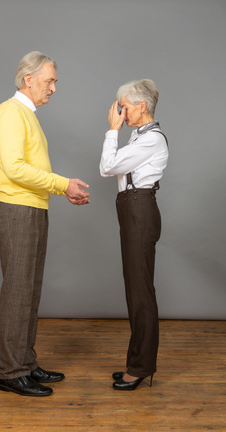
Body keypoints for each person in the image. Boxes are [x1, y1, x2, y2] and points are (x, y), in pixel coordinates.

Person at [0, 51, 90, 397]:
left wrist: (63, 192)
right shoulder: (10, 113)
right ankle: (11, 372)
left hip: (31, 208)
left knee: (29, 291)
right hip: (17, 210)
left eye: (55, 82)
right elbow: (15, 168)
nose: (54, 88)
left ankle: (26, 364)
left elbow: (30, 170)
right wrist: (63, 184)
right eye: (50, 81)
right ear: (28, 79)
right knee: (18, 292)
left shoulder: (27, 115)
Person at [99, 79, 169, 391]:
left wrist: (111, 130)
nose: (120, 111)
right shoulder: (138, 137)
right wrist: (119, 130)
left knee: (140, 290)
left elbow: (108, 166)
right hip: (131, 208)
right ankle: (135, 361)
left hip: (139, 209)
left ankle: (141, 367)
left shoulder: (151, 139)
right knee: (134, 288)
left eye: (124, 106)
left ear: (142, 106)